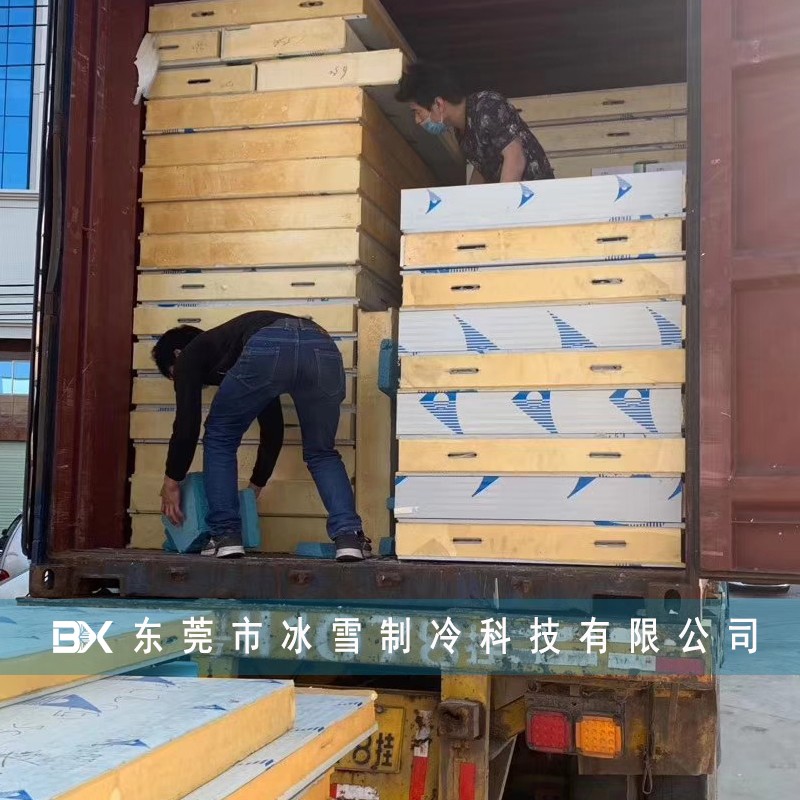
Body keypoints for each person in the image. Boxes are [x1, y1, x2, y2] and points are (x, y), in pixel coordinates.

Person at [151, 311, 371, 562]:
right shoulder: (236, 350)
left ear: (178, 355)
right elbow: (272, 427)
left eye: (174, 375)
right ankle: (349, 537)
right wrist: (256, 485)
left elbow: (187, 425)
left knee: (220, 437)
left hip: (270, 343)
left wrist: (172, 481)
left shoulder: (190, 355)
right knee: (321, 452)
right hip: (322, 345)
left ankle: (226, 535)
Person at [396, 61, 554, 185]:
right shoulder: (462, 131)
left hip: (538, 201)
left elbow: (515, 158)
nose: (417, 120)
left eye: (417, 112)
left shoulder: (487, 107)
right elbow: (484, 168)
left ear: (438, 104)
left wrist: (502, 208)